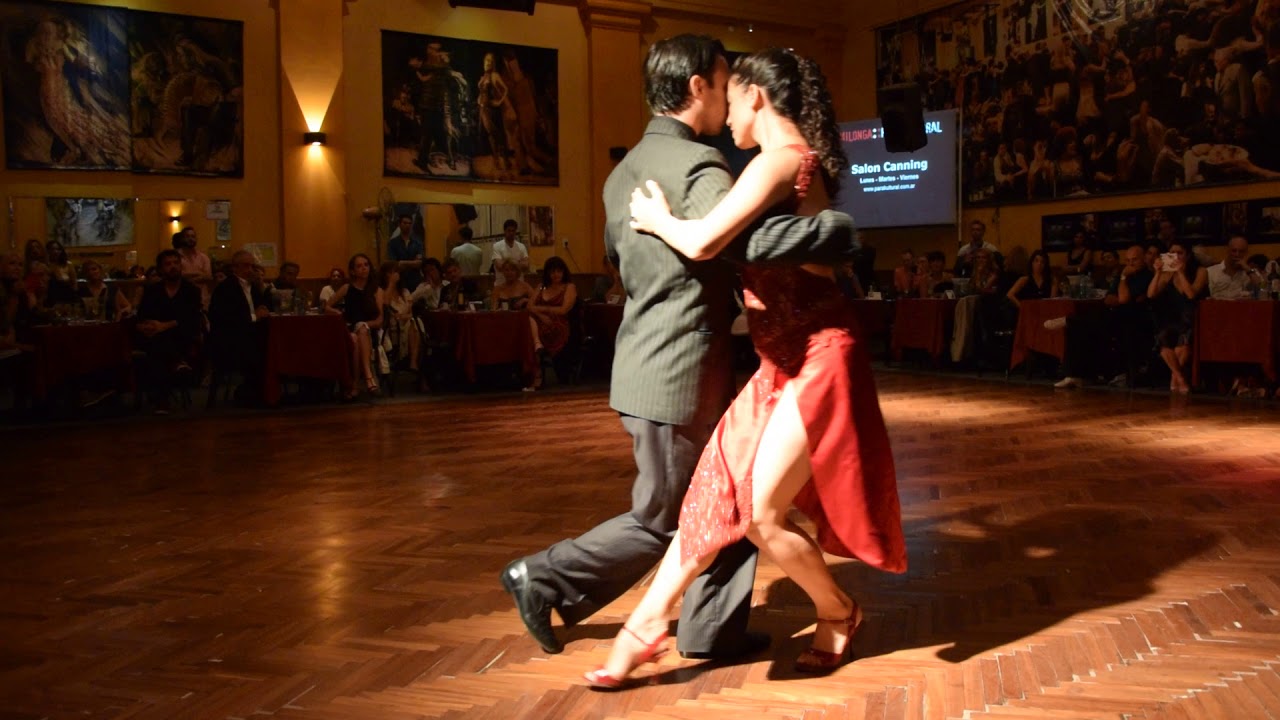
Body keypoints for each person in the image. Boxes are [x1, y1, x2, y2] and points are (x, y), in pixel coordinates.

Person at [500, 35, 859, 662]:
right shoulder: (701, 167)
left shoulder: (621, 174)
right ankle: (544, 578)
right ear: (698, 86)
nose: (730, 99)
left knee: (733, 496)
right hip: (684, 369)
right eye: (724, 83)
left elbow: (626, 266)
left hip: (648, 360)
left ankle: (709, 632)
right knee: (667, 518)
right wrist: (828, 231)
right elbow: (735, 247)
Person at [583, 46, 906, 688]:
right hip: (781, 359)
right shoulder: (789, 165)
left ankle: (838, 610)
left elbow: (706, 242)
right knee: (710, 496)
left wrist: (657, 218)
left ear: (756, 95)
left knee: (759, 513)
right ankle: (642, 630)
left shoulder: (779, 161)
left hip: (817, 357)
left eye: (733, 99)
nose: (727, 112)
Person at [1148, 242, 1207, 394]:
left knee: (1183, 344)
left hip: (1191, 316)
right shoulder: (1166, 274)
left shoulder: (1200, 271)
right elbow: (1151, 294)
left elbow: (1191, 294)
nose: (1175, 256)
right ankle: (1179, 377)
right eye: (1172, 253)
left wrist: (1180, 273)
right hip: (1171, 317)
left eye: (1179, 253)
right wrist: (1158, 273)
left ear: (1187, 255)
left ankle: (1174, 378)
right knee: (1163, 339)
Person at [325, 254, 384, 397]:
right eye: (359, 266)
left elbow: (379, 320)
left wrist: (363, 325)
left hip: (371, 331)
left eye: (366, 265)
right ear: (352, 271)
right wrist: (338, 313)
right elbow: (327, 307)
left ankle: (356, 385)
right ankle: (367, 379)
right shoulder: (347, 288)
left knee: (361, 330)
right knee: (355, 338)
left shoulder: (377, 290)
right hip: (350, 330)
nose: (364, 268)